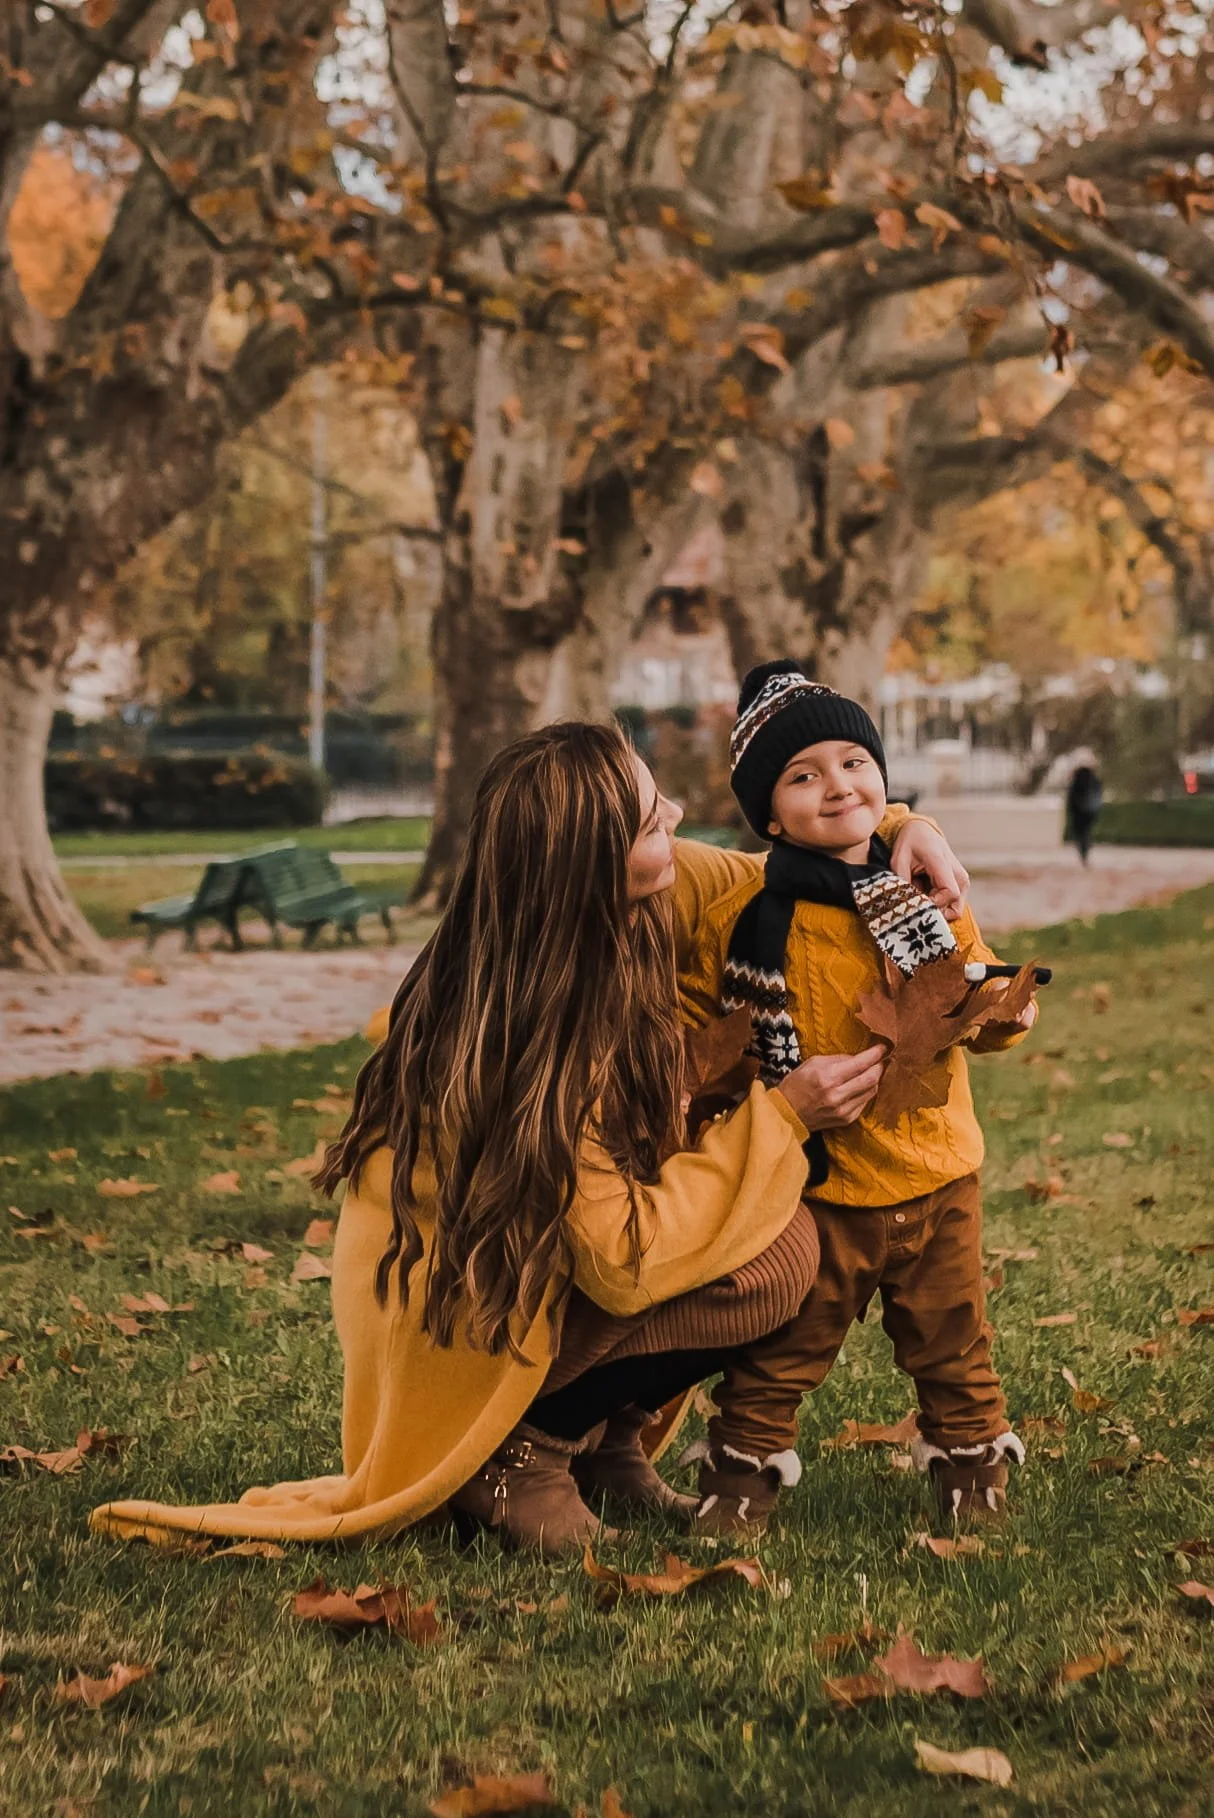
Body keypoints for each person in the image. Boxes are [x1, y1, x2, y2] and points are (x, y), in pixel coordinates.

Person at [92, 721, 970, 1557]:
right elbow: (623, 1258)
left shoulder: (630, 901)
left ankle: (602, 1445)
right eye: (648, 814)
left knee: (775, 1239)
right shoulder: (534, 1034)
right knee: (780, 1257)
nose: (671, 817)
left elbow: (795, 863)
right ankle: (523, 1450)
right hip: (475, 1314)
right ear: (590, 859)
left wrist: (901, 823)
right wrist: (782, 1118)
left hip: (550, 1273)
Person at [680, 663, 1038, 1534]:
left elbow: (969, 1003)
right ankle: (741, 1479)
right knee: (784, 1346)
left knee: (953, 1338)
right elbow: (709, 1039)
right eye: (803, 777)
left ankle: (972, 1473)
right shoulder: (751, 918)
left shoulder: (924, 893)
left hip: (938, 1168)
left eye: (854, 762)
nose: (838, 785)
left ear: (882, 777)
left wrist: (1005, 1015)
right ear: (770, 815)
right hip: (825, 1183)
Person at [1065, 756, 1103, 865]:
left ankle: (1083, 850)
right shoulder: (1095, 780)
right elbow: (1098, 796)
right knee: (1086, 831)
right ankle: (1086, 847)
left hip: (1079, 811)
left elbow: (1071, 797)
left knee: (1079, 833)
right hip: (1090, 811)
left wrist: (1071, 809)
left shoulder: (1076, 781)